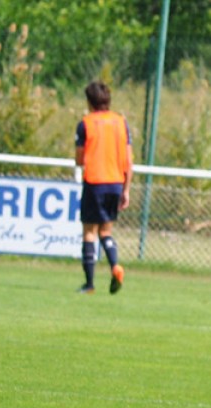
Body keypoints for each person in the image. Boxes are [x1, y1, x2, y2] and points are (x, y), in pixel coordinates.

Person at [74, 81, 132, 294]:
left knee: (89, 232)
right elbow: (129, 161)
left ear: (89, 102)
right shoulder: (121, 123)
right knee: (106, 231)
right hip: (116, 182)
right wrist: (126, 189)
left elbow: (79, 159)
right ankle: (115, 266)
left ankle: (89, 284)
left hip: (95, 181)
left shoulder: (86, 123)